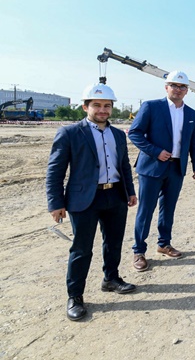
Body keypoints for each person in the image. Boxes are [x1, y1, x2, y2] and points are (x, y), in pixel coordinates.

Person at [46, 83, 138, 321]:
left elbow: (124, 165)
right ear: (85, 107)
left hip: (115, 195)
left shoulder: (118, 134)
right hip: (83, 199)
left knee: (114, 242)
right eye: (96, 105)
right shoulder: (69, 133)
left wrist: (130, 191)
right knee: (81, 248)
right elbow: (55, 171)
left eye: (107, 105)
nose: (102, 110)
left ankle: (111, 279)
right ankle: (75, 296)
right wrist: (55, 203)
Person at [129, 70, 195, 271]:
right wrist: (156, 152)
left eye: (182, 86)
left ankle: (164, 244)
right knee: (146, 210)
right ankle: (139, 251)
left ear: (187, 90)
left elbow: (194, 142)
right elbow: (134, 133)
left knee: (168, 209)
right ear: (166, 87)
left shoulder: (191, 114)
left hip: (176, 168)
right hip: (152, 167)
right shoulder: (151, 107)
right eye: (174, 85)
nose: (178, 89)